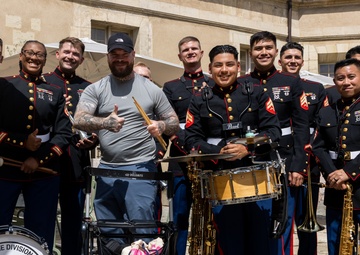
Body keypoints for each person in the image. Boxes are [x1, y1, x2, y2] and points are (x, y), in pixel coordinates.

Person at [73, 32, 179, 250]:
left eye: (124, 54)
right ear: (108, 57)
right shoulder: (97, 88)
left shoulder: (151, 88)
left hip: (140, 169)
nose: (120, 58)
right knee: (108, 232)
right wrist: (104, 123)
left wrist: (161, 126)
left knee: (142, 230)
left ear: (133, 55)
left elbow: (173, 121)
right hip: (107, 170)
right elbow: (79, 119)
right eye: (114, 54)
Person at [185, 44, 281, 255]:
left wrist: (247, 148)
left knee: (260, 243)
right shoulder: (200, 98)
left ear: (238, 66)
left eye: (229, 64)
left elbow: (273, 131)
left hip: (257, 180)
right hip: (219, 181)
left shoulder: (256, 93)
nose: (224, 70)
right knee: (229, 243)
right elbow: (191, 138)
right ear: (210, 68)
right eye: (218, 65)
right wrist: (218, 152)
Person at [237, 31, 310, 253]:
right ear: (251, 53)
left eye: (268, 47)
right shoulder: (240, 83)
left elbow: (301, 126)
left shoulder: (291, 82)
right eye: (258, 48)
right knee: (252, 221)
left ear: (276, 52)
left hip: (283, 160)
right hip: (248, 161)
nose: (264, 52)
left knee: (281, 222)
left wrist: (298, 165)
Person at [0, 40, 72, 254]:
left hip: (44, 173)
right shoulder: (4, 85)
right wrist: (22, 142)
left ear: (45, 59)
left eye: (39, 55)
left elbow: (64, 133)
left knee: (41, 233)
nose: (34, 58)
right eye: (29, 53)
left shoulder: (56, 91)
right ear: (21, 56)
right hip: (5, 170)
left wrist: (37, 159)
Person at [43, 37, 98, 255]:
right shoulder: (43, 81)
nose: (70, 56)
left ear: (81, 59)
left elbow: (96, 123)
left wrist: (95, 139)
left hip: (76, 161)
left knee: (73, 221)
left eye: (75, 54)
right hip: (47, 159)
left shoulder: (88, 88)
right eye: (66, 52)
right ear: (57, 54)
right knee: (44, 216)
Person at [162, 35, 213, 255]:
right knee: (179, 218)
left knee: (212, 218)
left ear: (201, 53)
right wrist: (188, 149)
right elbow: (167, 122)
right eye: (185, 50)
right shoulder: (171, 87)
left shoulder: (214, 83)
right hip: (181, 162)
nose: (190, 52)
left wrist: (204, 151)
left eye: (194, 48)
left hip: (211, 159)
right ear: (180, 56)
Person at [278, 42, 327, 255]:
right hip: (281, 161)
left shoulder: (316, 89)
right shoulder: (272, 86)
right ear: (280, 61)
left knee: (308, 220)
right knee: (283, 220)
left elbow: (321, 126)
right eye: (288, 57)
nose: (293, 61)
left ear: (302, 61)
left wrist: (309, 153)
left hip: (309, 164)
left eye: (297, 57)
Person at [312, 58, 360, 255]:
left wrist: (348, 172)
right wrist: (333, 175)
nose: (346, 82)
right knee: (337, 244)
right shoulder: (326, 112)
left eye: (351, 77)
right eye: (340, 78)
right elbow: (318, 147)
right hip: (336, 190)